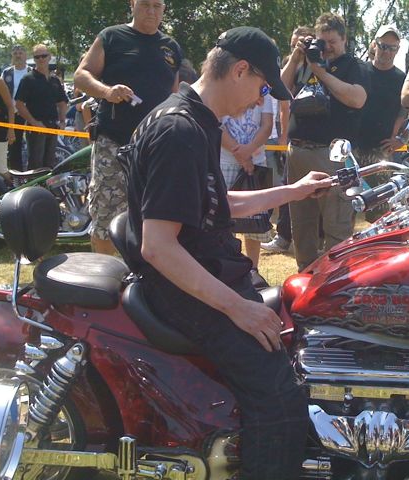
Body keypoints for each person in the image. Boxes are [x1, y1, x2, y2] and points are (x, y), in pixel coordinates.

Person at [125, 26, 332, 479]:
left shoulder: (196, 122)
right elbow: (158, 246)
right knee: (280, 401)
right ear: (240, 70)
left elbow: (216, 204)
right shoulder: (179, 131)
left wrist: (293, 191)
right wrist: (238, 308)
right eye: (263, 87)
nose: (260, 100)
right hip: (184, 286)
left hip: (207, 270)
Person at [74, 0, 182, 254]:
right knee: (105, 216)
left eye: (157, 6)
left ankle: (142, 273)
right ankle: (104, 273)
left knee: (154, 218)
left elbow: (175, 94)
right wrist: (107, 91)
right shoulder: (112, 37)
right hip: (114, 141)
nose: (151, 11)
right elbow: (81, 75)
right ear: (132, 4)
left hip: (156, 146)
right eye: (145, 5)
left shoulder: (171, 47)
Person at [281, 12, 368, 271]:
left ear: (344, 40)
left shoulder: (353, 66)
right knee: (301, 224)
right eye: (322, 42)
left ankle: (335, 279)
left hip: (334, 157)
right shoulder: (305, 61)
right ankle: (305, 275)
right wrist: (297, 57)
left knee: (336, 224)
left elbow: (357, 99)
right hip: (298, 152)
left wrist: (321, 71)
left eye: (332, 42)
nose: (327, 48)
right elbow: (279, 89)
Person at [261, 26, 312, 255]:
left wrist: (282, 137)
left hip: (311, 139)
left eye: (301, 43)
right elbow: (280, 91)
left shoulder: (319, 65)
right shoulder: (291, 66)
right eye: (293, 44)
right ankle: (282, 237)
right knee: (285, 188)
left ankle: (313, 240)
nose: (296, 48)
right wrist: (295, 58)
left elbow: (285, 107)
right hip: (293, 139)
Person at [220, 93, 274, 287]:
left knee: (255, 221)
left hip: (257, 161)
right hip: (224, 161)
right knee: (224, 220)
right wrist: (240, 153)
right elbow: (217, 125)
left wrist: (248, 150)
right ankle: (227, 267)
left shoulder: (264, 94)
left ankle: (253, 269)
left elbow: (267, 126)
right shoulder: (225, 90)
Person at [357, 24, 406, 222]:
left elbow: (406, 111)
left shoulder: (402, 78)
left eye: (392, 48)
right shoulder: (359, 71)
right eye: (383, 46)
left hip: (382, 153)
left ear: (398, 50)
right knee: (344, 209)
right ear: (374, 45)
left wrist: (399, 138)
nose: (387, 52)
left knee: (381, 213)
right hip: (353, 150)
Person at [15, 44, 68, 170]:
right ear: (34, 59)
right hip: (36, 128)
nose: (41, 59)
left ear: (49, 57)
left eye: (44, 56)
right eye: (37, 57)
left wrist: (62, 121)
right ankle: (33, 184)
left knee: (50, 164)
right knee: (35, 164)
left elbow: (62, 102)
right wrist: (34, 123)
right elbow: (19, 105)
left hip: (52, 126)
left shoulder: (54, 80)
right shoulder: (28, 79)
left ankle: (47, 184)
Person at [2, 45, 31, 170]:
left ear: (25, 55)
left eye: (20, 53)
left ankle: (31, 172)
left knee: (32, 144)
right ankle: (16, 172)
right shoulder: (6, 73)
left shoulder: (31, 72)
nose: (18, 56)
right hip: (13, 114)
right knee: (14, 144)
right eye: (15, 53)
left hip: (29, 114)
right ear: (12, 56)